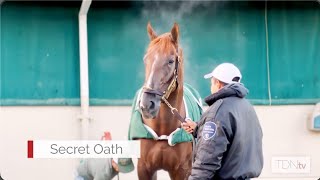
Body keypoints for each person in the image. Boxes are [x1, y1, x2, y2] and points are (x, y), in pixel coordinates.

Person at [182, 63, 263, 180]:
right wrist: (198, 129)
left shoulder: (218, 111)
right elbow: (233, 138)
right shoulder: (247, 106)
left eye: (212, 83)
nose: (211, 88)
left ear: (218, 83)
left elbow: (207, 159)